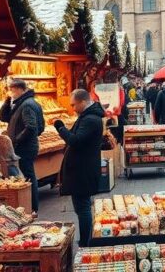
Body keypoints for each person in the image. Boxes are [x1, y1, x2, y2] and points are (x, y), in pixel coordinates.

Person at [53, 89, 105, 248]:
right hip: (83, 169)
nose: (72, 108)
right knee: (83, 206)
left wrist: (60, 128)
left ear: (83, 102)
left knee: (82, 208)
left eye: (74, 105)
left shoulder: (89, 120)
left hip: (83, 170)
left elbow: (75, 140)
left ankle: (86, 243)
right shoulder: (88, 117)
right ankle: (87, 240)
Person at [0, 78, 45, 213]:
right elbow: (3, 117)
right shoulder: (22, 103)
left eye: (12, 90)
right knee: (27, 176)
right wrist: (7, 102)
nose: (11, 93)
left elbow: (31, 127)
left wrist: (17, 140)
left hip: (24, 148)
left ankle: (32, 208)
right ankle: (30, 207)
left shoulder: (27, 105)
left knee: (28, 177)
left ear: (20, 89)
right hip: (27, 146)